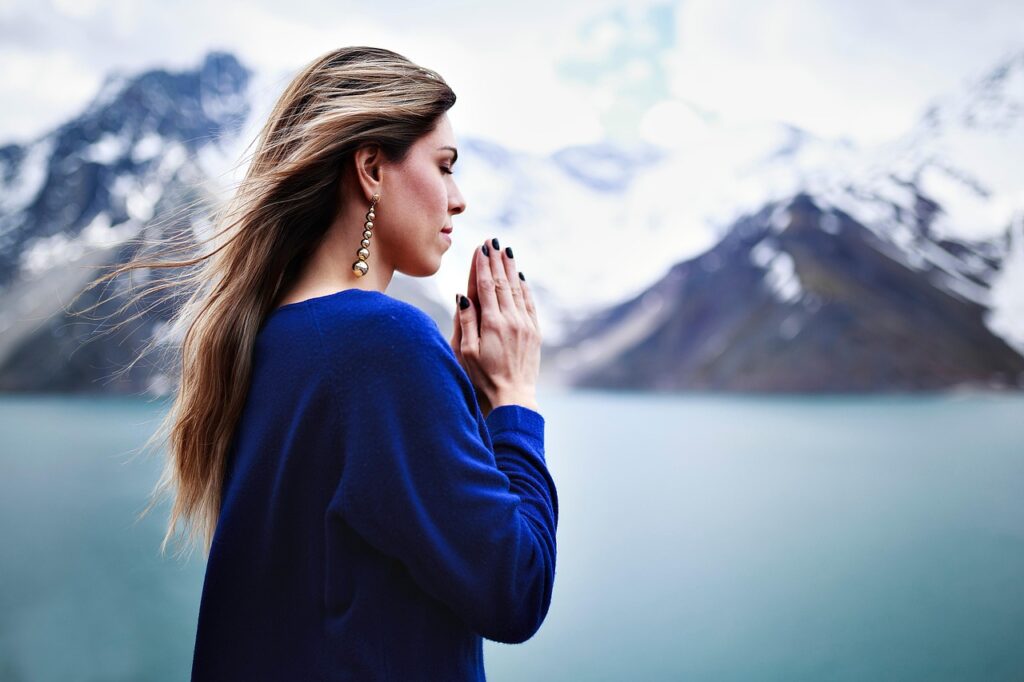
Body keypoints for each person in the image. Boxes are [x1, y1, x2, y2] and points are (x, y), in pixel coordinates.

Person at [93, 46, 557, 680]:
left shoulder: (262, 339)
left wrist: (460, 406)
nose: (459, 199)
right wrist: (513, 399)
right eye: (444, 167)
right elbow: (515, 590)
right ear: (370, 167)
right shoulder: (383, 342)